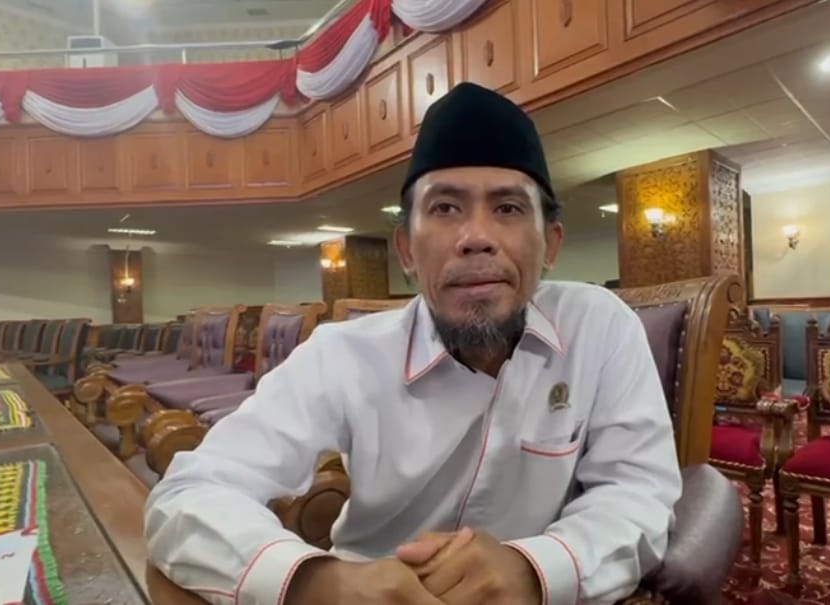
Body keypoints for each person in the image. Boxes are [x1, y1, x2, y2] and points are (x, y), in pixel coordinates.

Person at [144, 82, 682, 605]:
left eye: (509, 208)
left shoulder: (600, 328)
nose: (476, 237)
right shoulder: (341, 356)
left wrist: (536, 569)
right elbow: (191, 493)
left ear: (551, 244)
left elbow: (637, 493)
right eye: (445, 208)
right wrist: (317, 584)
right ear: (405, 248)